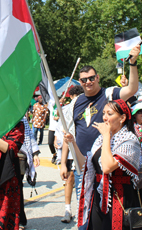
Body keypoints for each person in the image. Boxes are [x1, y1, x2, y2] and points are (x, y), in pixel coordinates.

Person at [60, 45, 140, 204]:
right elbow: (68, 135)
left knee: (106, 210)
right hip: (82, 165)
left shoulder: (110, 94)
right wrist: (63, 163)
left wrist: (132, 64)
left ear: (97, 78)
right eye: (84, 80)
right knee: (85, 211)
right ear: (80, 82)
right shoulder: (75, 103)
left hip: (105, 163)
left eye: (91, 78)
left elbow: (131, 89)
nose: (88, 82)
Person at [65, 99, 142, 229]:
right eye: (104, 113)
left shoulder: (130, 140)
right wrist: (73, 143)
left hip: (119, 197)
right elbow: (87, 165)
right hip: (99, 195)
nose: (105, 118)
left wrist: (107, 136)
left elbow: (107, 167)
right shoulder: (101, 139)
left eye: (110, 114)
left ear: (122, 118)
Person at [57, 85, 84, 223]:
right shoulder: (67, 109)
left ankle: (83, 212)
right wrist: (62, 163)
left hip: (83, 156)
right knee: (69, 179)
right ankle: (68, 209)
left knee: (80, 184)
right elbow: (64, 133)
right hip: (68, 153)